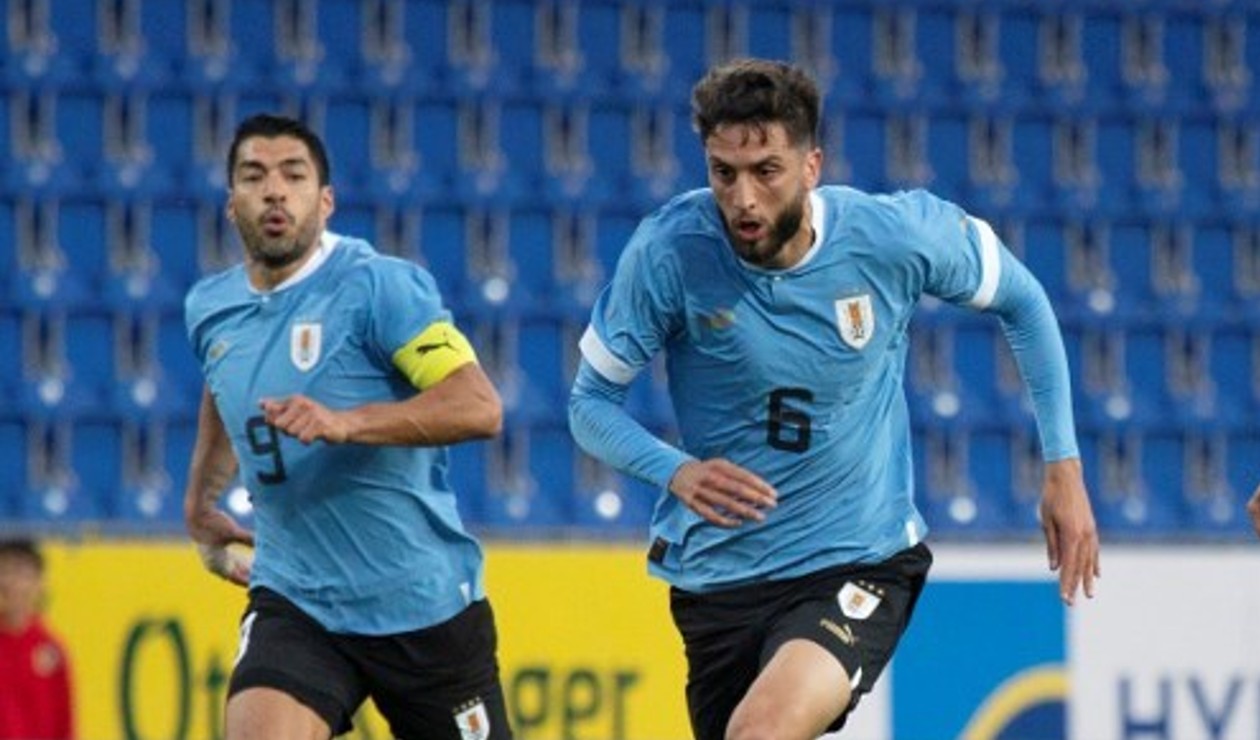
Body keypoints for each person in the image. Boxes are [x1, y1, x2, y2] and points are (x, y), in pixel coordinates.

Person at [568, 58, 1101, 740]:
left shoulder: (891, 236)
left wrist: (1063, 464)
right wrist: (675, 470)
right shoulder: (671, 253)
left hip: (858, 558)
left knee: (760, 731)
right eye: (723, 173)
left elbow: (1023, 300)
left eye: (766, 170)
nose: (743, 199)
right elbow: (589, 405)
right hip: (718, 579)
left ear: (812, 165)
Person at [184, 113, 512, 740]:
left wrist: (347, 423)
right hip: (298, 601)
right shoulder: (211, 309)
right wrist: (200, 499)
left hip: (423, 607)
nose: (274, 191)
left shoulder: (380, 288)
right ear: (232, 205)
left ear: (325, 200)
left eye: (293, 175)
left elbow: (478, 407)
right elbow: (222, 387)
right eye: (254, 177)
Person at [0, 539, 74, 740]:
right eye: (7, 571)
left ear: (39, 583)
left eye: (23, 574)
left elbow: (64, 723)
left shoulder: (51, 649)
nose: (14, 584)